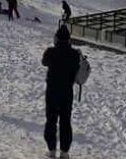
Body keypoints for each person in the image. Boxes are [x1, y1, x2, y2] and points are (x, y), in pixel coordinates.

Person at [42, 25, 81, 158]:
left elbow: (44, 62)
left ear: (56, 38)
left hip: (52, 91)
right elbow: (78, 68)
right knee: (65, 121)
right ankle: (64, 152)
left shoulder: (51, 52)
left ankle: (52, 149)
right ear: (69, 39)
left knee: (51, 120)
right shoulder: (75, 54)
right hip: (67, 92)